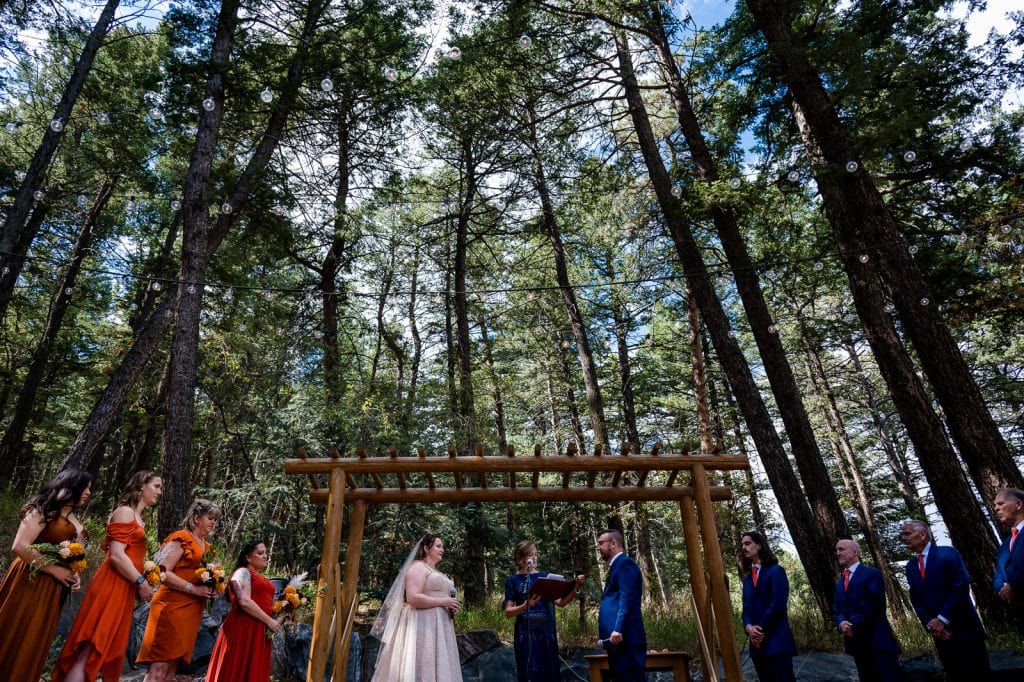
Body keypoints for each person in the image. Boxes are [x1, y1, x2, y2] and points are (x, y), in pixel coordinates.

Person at [54, 470, 163, 682]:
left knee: (100, 650)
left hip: (124, 588)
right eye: (157, 486)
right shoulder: (125, 512)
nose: (160, 492)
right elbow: (116, 555)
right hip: (111, 584)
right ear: (142, 485)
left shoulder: (138, 518)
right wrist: (141, 581)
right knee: (90, 648)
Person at [0, 467, 93, 679]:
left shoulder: (74, 518)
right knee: (17, 629)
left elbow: (72, 554)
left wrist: (73, 572)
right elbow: (20, 546)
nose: (88, 493)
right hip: (30, 579)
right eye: (85, 487)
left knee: (34, 638)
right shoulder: (42, 510)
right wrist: (54, 570)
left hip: (53, 589)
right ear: (70, 486)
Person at [136, 498, 222, 682]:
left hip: (191, 611)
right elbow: (162, 571)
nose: (213, 522)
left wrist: (213, 586)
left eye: (215, 519)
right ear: (196, 518)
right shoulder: (181, 537)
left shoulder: (207, 547)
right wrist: (192, 589)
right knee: (158, 667)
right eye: (210, 517)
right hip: (170, 607)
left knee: (171, 669)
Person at [899, 519, 990, 680]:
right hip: (941, 636)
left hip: (964, 630)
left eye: (907, 533)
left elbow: (960, 587)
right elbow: (916, 599)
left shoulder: (947, 553)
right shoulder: (911, 566)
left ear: (922, 535)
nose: (904, 538)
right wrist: (931, 623)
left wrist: (943, 619)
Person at [370, 533, 463, 682]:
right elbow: (412, 598)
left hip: (442, 626)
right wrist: (443, 602)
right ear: (426, 548)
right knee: (423, 663)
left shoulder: (437, 572)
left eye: (442, 546)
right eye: (438, 546)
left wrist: (450, 606)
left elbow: (441, 597)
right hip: (423, 625)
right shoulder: (418, 567)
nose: (442, 549)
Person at [502, 539, 585, 682]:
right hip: (525, 636)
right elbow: (508, 612)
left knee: (549, 672)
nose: (534, 558)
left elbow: (561, 602)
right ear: (521, 557)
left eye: (536, 554)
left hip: (546, 634)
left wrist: (575, 587)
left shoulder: (545, 577)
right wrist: (525, 606)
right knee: (528, 672)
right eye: (530, 555)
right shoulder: (513, 580)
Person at [205, 540, 281, 681]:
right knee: (236, 669)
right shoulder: (243, 572)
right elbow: (244, 601)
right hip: (244, 628)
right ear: (247, 557)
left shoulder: (260, 577)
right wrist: (269, 621)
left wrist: (284, 609)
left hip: (259, 630)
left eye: (266, 553)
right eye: (260, 553)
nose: (265, 556)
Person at [833, 539, 906, 682]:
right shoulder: (840, 582)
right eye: (836, 550)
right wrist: (841, 623)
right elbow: (837, 608)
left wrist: (852, 624)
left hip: (878, 643)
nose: (838, 553)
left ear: (855, 552)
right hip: (857, 645)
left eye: (841, 549)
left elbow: (871, 604)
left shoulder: (872, 574)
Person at [740, 531, 797, 682]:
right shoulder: (746, 580)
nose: (743, 547)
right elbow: (745, 609)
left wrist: (759, 630)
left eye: (747, 543)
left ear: (759, 545)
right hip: (756, 646)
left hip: (776, 641)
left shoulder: (776, 571)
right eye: (742, 545)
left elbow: (777, 605)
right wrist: (748, 628)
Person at [596, 529, 646, 682]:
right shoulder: (616, 566)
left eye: (601, 543)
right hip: (616, 642)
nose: (598, 547)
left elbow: (627, 599)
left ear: (613, 543)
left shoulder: (625, 564)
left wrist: (618, 629)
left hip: (625, 637)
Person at [994, 488, 1024, 608]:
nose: (996, 508)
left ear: (1018, 504)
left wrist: (1014, 586)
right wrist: (1003, 590)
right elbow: (998, 574)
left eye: (1001, 504)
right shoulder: (1004, 546)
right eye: (995, 505)